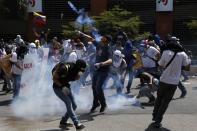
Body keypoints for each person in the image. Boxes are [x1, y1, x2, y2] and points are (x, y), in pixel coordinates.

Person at [152, 41, 191, 128]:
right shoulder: (183, 54)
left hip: (164, 80)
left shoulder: (166, 52)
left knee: (159, 98)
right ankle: (158, 121)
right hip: (174, 83)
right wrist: (187, 59)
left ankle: (154, 115)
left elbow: (160, 65)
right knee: (165, 102)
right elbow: (187, 67)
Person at [52, 59, 86, 130]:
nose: (81, 72)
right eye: (80, 70)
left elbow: (76, 78)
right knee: (69, 103)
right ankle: (77, 124)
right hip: (58, 87)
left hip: (66, 86)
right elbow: (54, 78)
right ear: (77, 67)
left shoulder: (78, 70)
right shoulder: (65, 68)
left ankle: (63, 121)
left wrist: (79, 74)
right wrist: (62, 86)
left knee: (74, 106)